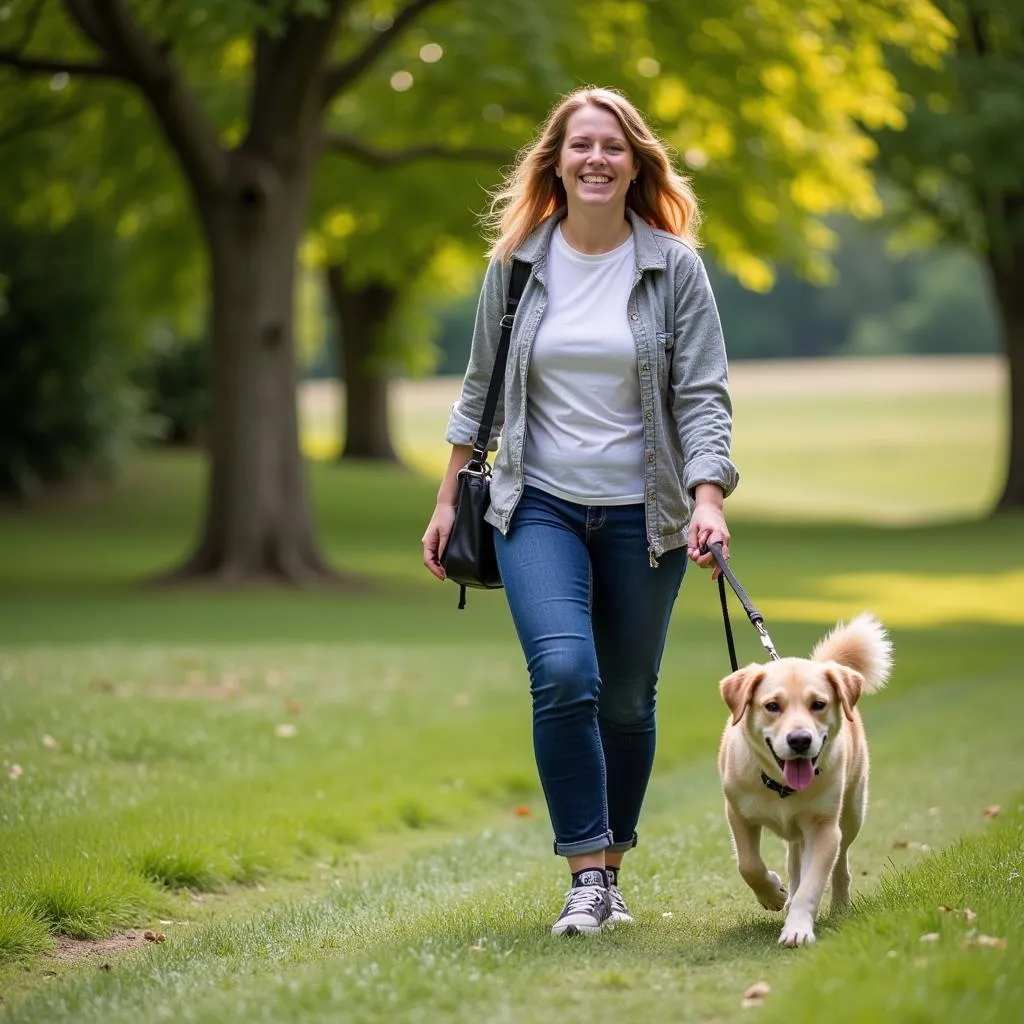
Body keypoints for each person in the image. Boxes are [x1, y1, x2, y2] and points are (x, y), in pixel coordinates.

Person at [421, 86, 738, 937]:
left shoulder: (673, 268)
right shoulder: (517, 267)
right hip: (537, 506)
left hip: (648, 516)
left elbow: (703, 395)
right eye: (580, 145)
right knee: (565, 674)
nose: (596, 158)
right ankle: (586, 877)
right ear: (556, 162)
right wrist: (450, 497)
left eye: (613, 146)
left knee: (628, 699)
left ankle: (614, 864)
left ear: (636, 163)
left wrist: (708, 496)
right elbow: (480, 389)